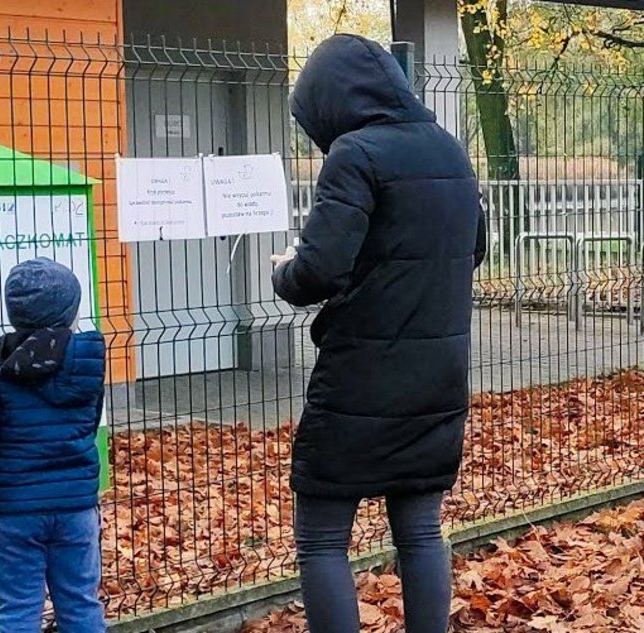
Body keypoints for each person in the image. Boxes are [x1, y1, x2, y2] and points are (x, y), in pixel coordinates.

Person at [271, 35, 486, 633]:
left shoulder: (356, 155)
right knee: (419, 529)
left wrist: (283, 270)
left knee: (321, 537)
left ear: (332, 100)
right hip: (438, 379)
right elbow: (475, 247)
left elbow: (318, 271)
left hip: (359, 381)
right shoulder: (450, 150)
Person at [0, 257, 107, 632]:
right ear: (69, 314)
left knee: (17, 610)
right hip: (75, 507)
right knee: (81, 603)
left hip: (13, 513)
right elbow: (88, 424)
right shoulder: (87, 364)